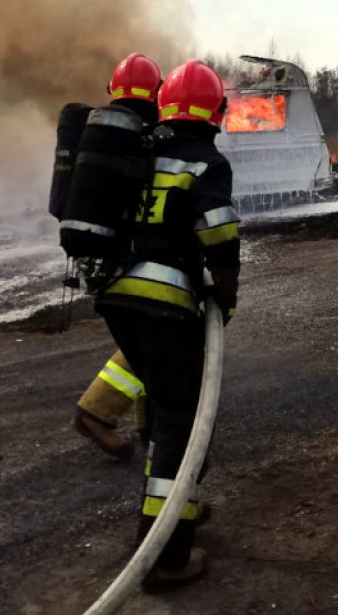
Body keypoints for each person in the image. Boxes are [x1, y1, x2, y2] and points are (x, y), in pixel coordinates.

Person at [95, 59, 240, 592]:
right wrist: (227, 292)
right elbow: (218, 232)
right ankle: (165, 555)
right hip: (164, 305)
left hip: (117, 298)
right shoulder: (206, 161)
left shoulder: (140, 149)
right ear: (217, 111)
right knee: (183, 421)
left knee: (163, 406)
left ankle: (181, 509)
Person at [72, 53, 162, 460]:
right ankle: (96, 413)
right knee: (151, 339)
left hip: (101, 257)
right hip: (131, 258)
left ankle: (149, 423)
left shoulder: (102, 133)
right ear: (156, 92)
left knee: (148, 336)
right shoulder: (143, 137)